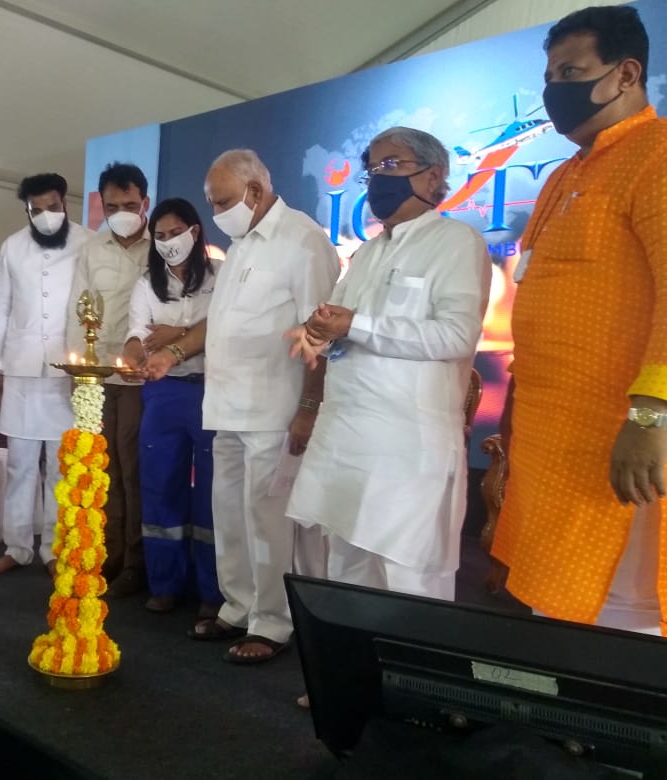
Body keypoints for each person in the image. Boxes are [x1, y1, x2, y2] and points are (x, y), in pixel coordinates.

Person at [492, 5, 667, 635]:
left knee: (625, 623)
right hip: (552, 439)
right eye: (549, 76)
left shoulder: (657, 154)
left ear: (626, 74)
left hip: (624, 441)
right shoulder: (565, 173)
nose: (554, 90)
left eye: (571, 72)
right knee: (559, 613)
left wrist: (650, 418)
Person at [286, 127, 490, 603]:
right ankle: (348, 657)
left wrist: (355, 325)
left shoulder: (456, 242)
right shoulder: (367, 252)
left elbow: (457, 335)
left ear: (434, 176)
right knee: (345, 578)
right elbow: (340, 323)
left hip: (406, 452)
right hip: (345, 441)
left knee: (406, 588)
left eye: (392, 165)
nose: (379, 178)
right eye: (372, 170)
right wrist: (318, 333)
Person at [187, 149, 339, 664]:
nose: (216, 213)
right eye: (212, 203)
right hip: (227, 404)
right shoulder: (240, 245)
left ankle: (274, 621)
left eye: (222, 201)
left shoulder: (303, 240)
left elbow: (320, 335)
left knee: (267, 519)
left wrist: (309, 406)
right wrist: (173, 352)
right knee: (229, 513)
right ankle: (238, 605)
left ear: (255, 191)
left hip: (275, 409)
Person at [120, 198, 222, 616]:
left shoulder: (221, 276)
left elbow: (223, 328)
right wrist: (131, 353)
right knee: (160, 483)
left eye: (175, 233)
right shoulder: (148, 283)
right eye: (159, 236)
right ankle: (165, 583)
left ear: (194, 232)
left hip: (213, 390)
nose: (167, 242)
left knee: (213, 490)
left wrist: (175, 334)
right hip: (164, 392)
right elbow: (138, 333)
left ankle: (213, 591)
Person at [0, 175, 88, 576]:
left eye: (53, 207)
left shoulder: (88, 242)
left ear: (65, 204)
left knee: (62, 467)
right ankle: (17, 546)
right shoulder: (12, 246)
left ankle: (55, 549)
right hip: (21, 369)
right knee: (20, 466)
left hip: (68, 371)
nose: (46, 216)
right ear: (27, 210)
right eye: (36, 210)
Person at [66, 163, 151, 597]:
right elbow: (77, 310)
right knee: (107, 470)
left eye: (130, 205)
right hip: (99, 377)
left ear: (145, 203)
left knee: (135, 471)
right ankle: (111, 556)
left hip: (143, 378)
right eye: (113, 207)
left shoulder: (162, 247)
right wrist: (79, 375)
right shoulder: (91, 249)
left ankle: (138, 562)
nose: (122, 214)